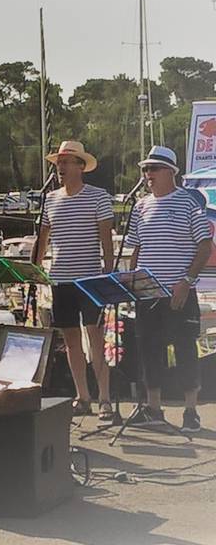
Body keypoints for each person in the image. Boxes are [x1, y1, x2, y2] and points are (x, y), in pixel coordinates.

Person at [125, 146, 212, 433]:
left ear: (169, 172)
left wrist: (186, 282)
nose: (147, 174)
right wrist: (132, 280)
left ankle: (190, 412)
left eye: (153, 169)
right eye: (145, 169)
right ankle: (154, 409)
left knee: (186, 348)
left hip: (178, 291)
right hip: (147, 292)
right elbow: (137, 248)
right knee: (149, 349)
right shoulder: (140, 206)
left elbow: (205, 245)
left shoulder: (188, 203)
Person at [31, 141, 115, 420]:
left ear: (81, 166)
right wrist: (35, 270)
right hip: (61, 280)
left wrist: (109, 273)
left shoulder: (98, 196)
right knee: (71, 341)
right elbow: (43, 239)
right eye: (59, 163)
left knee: (95, 337)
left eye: (66, 162)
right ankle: (83, 396)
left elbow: (106, 240)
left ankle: (105, 397)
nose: (61, 168)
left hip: (90, 279)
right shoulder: (51, 199)